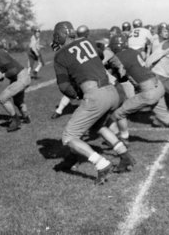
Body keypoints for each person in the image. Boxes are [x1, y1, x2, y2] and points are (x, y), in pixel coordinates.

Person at [52, 21, 135, 185]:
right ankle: (125, 156)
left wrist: (77, 95)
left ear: (60, 35)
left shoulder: (60, 55)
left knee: (69, 137)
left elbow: (63, 86)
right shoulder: (88, 42)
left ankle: (101, 164)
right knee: (98, 126)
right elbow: (101, 55)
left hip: (96, 94)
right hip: (113, 91)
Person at [108, 34, 169, 144]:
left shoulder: (120, 56)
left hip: (148, 90)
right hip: (158, 85)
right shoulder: (133, 52)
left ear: (115, 46)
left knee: (119, 113)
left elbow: (113, 70)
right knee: (165, 117)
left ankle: (124, 139)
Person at [0, 37, 31, 132]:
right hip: (21, 76)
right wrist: (2, 75)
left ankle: (16, 120)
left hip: (20, 77)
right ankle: (26, 118)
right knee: (18, 101)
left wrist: (3, 74)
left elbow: (13, 70)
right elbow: (8, 67)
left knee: (3, 98)